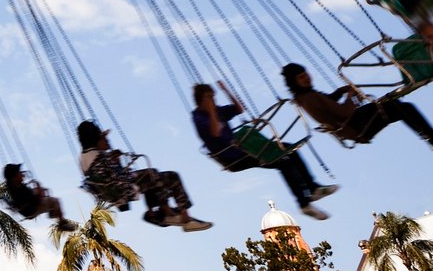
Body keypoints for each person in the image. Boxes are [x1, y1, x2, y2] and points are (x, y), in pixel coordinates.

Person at [190, 82, 335, 220]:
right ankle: (304, 204)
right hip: (232, 157)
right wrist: (210, 111)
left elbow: (239, 109)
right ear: (200, 100)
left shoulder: (217, 111)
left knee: (290, 150)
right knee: (282, 162)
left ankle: (313, 188)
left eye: (213, 96)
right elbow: (215, 132)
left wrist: (226, 90)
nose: (212, 100)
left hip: (244, 149)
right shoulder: (199, 117)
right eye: (208, 97)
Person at [75, 120, 209, 231]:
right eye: (103, 137)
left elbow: (105, 175)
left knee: (153, 176)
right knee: (169, 176)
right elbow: (116, 175)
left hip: (112, 191)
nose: (106, 140)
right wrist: (116, 160)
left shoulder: (84, 157)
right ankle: (182, 217)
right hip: (121, 190)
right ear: (96, 139)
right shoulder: (100, 157)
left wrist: (113, 160)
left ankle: (154, 212)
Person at [283, 62, 433, 149]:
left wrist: (340, 91)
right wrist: (351, 97)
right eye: (301, 78)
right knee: (401, 107)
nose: (306, 78)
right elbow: (344, 112)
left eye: (306, 74)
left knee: (397, 107)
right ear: (294, 82)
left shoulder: (305, 97)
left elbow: (327, 102)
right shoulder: (310, 97)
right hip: (356, 126)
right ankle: (430, 137)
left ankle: (428, 136)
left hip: (354, 126)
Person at [0, 162, 75, 233]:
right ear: (14, 177)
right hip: (32, 209)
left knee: (43, 192)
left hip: (27, 209)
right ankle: (62, 223)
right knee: (55, 201)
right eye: (19, 173)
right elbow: (37, 199)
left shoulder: (13, 187)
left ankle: (52, 212)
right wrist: (39, 187)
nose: (22, 174)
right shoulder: (21, 190)